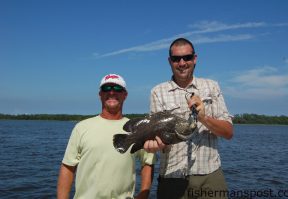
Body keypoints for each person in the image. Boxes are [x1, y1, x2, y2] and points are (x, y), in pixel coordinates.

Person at [144, 38, 233, 199]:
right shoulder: (157, 91)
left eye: (187, 57)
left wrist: (203, 117)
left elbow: (228, 132)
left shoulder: (212, 87)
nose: (182, 63)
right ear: (170, 61)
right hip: (171, 178)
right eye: (176, 59)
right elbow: (157, 138)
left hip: (210, 176)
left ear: (195, 59)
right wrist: (154, 146)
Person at [57, 74, 155, 199]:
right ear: (100, 95)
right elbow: (67, 167)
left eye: (118, 89)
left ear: (125, 95)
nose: (112, 92)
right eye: (106, 89)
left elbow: (148, 162)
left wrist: (144, 194)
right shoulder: (81, 127)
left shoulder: (138, 128)